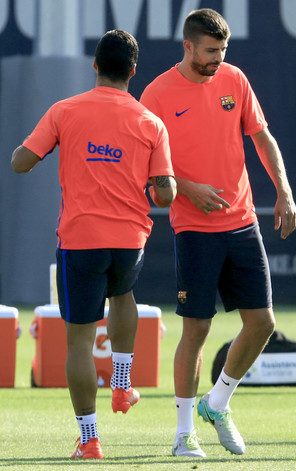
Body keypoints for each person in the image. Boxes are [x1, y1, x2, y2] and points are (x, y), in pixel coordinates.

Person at [140, 8, 296, 458]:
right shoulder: (156, 94)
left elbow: (263, 138)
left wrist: (284, 192)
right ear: (187, 46)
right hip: (194, 227)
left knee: (263, 323)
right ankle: (183, 433)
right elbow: (149, 170)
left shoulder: (234, 79)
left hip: (243, 221)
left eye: (223, 50)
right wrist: (187, 188)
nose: (218, 59)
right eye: (211, 51)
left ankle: (218, 403)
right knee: (197, 329)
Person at [11, 30, 176, 459]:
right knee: (123, 293)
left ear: (95, 66)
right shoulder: (150, 122)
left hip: (81, 238)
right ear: (134, 72)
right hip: (129, 239)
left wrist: (56, 145)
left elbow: (20, 163)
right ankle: (122, 388)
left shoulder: (65, 110)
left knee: (79, 342)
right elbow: (166, 194)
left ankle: (89, 439)